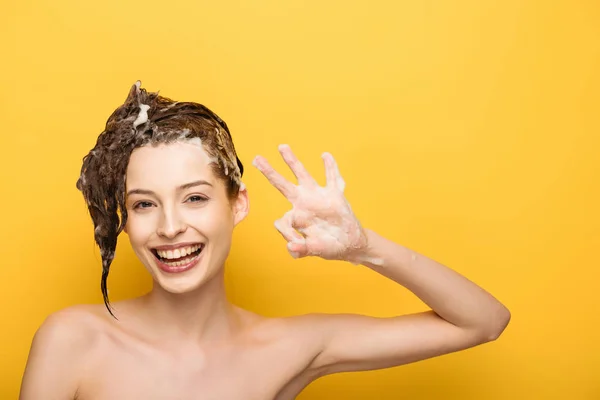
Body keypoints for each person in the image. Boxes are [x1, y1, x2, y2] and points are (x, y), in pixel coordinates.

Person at [19, 81, 510, 400]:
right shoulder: (74, 341)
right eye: (145, 204)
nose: (169, 227)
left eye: (194, 198)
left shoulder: (289, 349)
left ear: (238, 205)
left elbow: (484, 322)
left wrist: (364, 247)